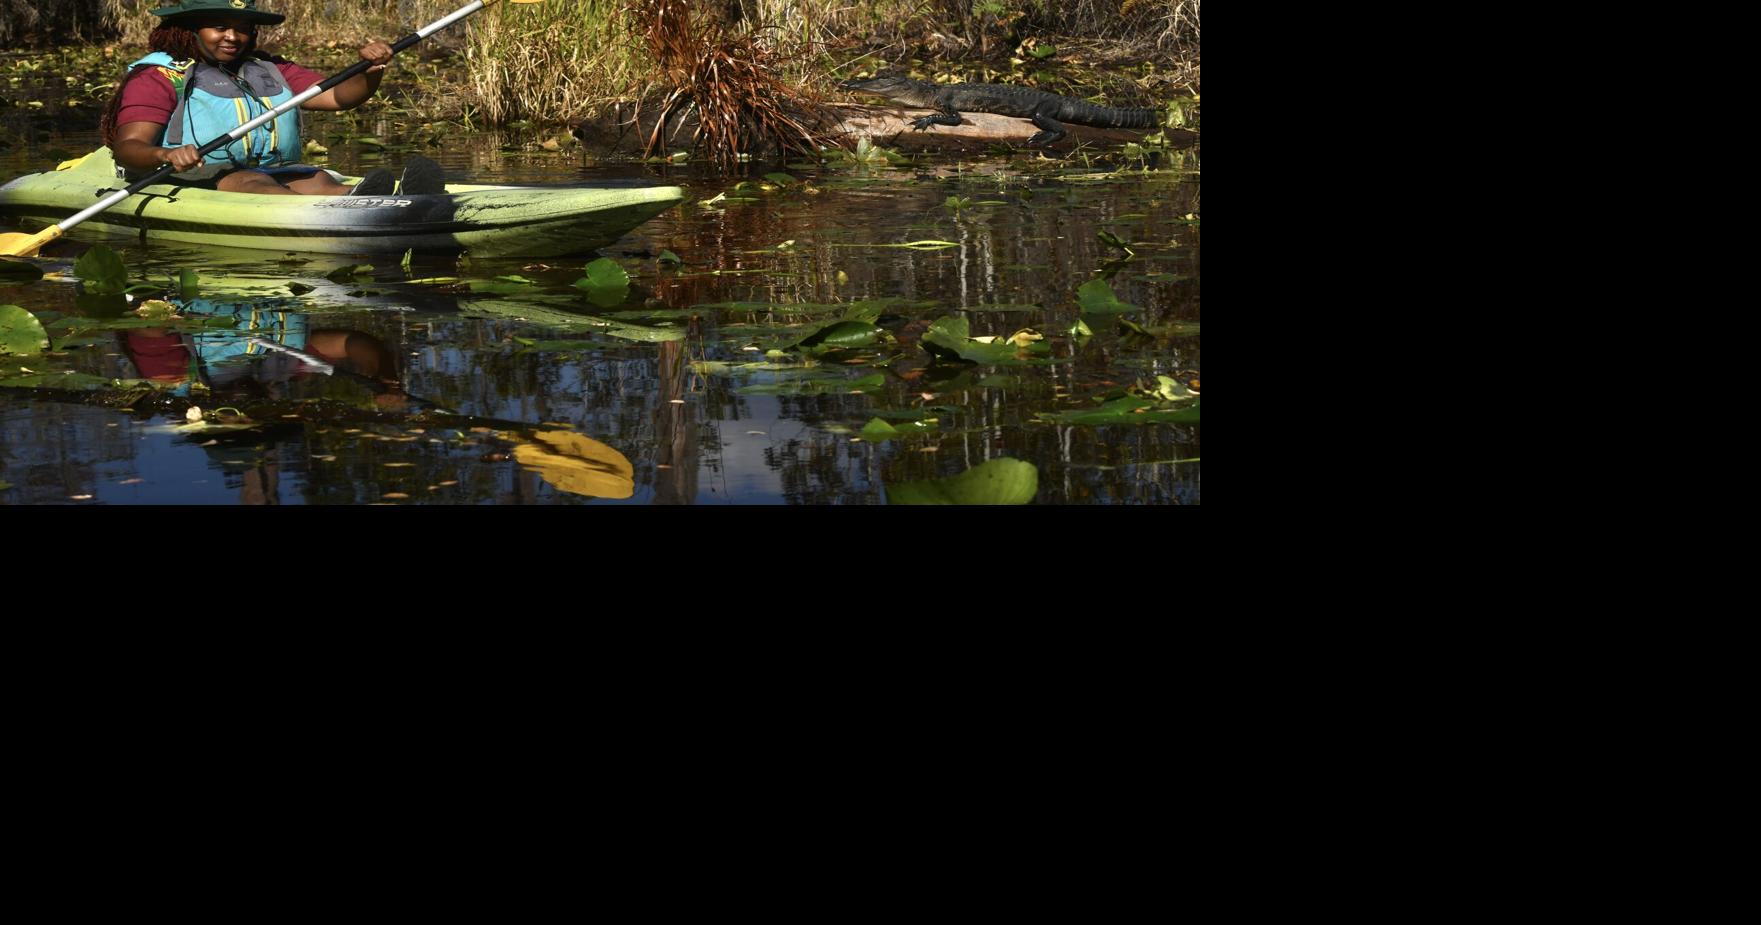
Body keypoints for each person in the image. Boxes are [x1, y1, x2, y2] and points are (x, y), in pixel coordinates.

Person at [98, 0, 444, 197]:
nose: (233, 37)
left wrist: (371, 70)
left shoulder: (267, 69)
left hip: (267, 169)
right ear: (190, 29)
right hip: (187, 177)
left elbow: (339, 97)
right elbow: (128, 147)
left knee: (317, 179)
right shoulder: (158, 76)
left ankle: (381, 200)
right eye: (219, 27)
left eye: (242, 28)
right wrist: (166, 154)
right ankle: (349, 211)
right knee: (252, 182)